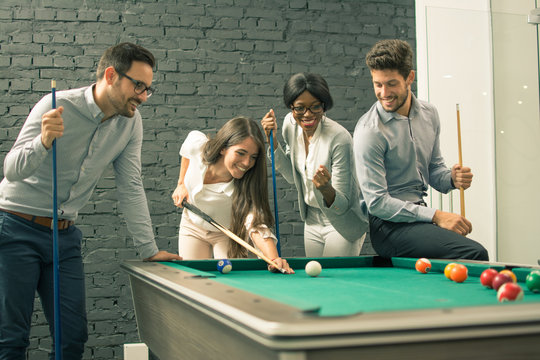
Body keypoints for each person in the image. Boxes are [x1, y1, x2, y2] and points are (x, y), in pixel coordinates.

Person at [0, 42, 182, 359]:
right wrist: (43, 142)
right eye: (138, 85)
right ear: (111, 75)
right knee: (12, 340)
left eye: (148, 89)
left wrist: (148, 250)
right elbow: (12, 170)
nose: (143, 96)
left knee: (72, 339)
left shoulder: (130, 123)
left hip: (65, 236)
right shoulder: (55, 105)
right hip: (15, 228)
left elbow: (130, 184)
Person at [353, 39, 488, 260]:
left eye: (391, 83)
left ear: (410, 78)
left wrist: (452, 179)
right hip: (388, 227)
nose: (384, 92)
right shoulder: (369, 131)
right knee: (473, 252)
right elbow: (377, 203)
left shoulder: (429, 113)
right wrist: (436, 216)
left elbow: (434, 170)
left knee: (468, 251)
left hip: (419, 216)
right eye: (378, 84)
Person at [260, 73, 368, 257]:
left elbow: (342, 205)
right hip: (311, 220)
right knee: (316, 279)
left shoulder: (339, 139)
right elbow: (291, 176)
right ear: (291, 108)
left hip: (340, 222)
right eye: (300, 108)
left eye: (315, 107)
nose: (308, 115)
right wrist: (274, 140)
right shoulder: (289, 125)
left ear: (324, 105)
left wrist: (326, 188)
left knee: (334, 282)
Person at [171, 116, 293, 274]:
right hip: (192, 226)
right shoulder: (198, 146)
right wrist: (181, 184)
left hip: (226, 234)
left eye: (253, 157)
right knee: (191, 280)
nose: (247, 163)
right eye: (241, 153)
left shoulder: (245, 186)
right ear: (222, 148)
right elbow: (188, 150)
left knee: (232, 284)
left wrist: (273, 257)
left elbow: (256, 223)